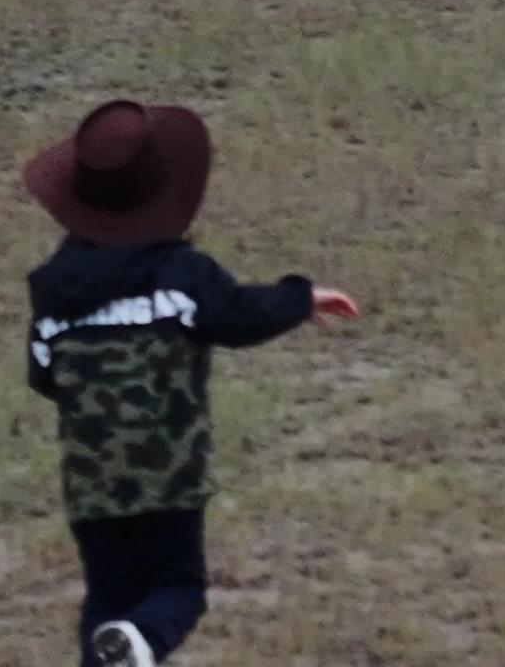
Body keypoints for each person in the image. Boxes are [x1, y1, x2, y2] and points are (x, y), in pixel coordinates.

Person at [23, 100, 360, 667]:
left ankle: (118, 648)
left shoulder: (54, 290)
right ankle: (142, 642)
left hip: (92, 484)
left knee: (107, 596)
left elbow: (43, 375)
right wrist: (300, 298)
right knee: (180, 588)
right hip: (168, 477)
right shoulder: (182, 275)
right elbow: (237, 315)